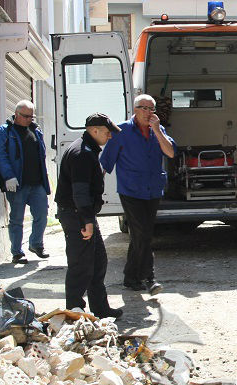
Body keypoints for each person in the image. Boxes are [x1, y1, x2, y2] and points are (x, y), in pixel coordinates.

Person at [100, 95, 176, 296]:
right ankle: (150, 278)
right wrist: (94, 189)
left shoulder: (158, 131)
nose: (148, 112)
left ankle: (130, 277)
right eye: (143, 108)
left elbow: (170, 152)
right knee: (142, 233)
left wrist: (158, 131)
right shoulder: (121, 131)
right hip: (131, 190)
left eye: (151, 108)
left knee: (141, 234)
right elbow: (106, 162)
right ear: (135, 109)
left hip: (152, 189)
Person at [55, 113, 124, 319]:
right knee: (80, 265)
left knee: (97, 261)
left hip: (81, 213)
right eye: (106, 132)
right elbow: (80, 192)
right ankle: (74, 311)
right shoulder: (82, 153)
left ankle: (100, 308)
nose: (110, 136)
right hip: (77, 214)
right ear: (94, 130)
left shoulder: (87, 149)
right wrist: (87, 220)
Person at [0, 100, 51, 264]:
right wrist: (8, 176)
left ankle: (36, 244)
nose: (29, 120)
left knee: (42, 214)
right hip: (17, 184)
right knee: (17, 219)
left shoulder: (35, 130)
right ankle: (17, 252)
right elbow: (0, 155)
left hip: (37, 183)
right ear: (16, 114)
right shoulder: (5, 131)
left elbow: (41, 155)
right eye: (26, 116)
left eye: (31, 116)